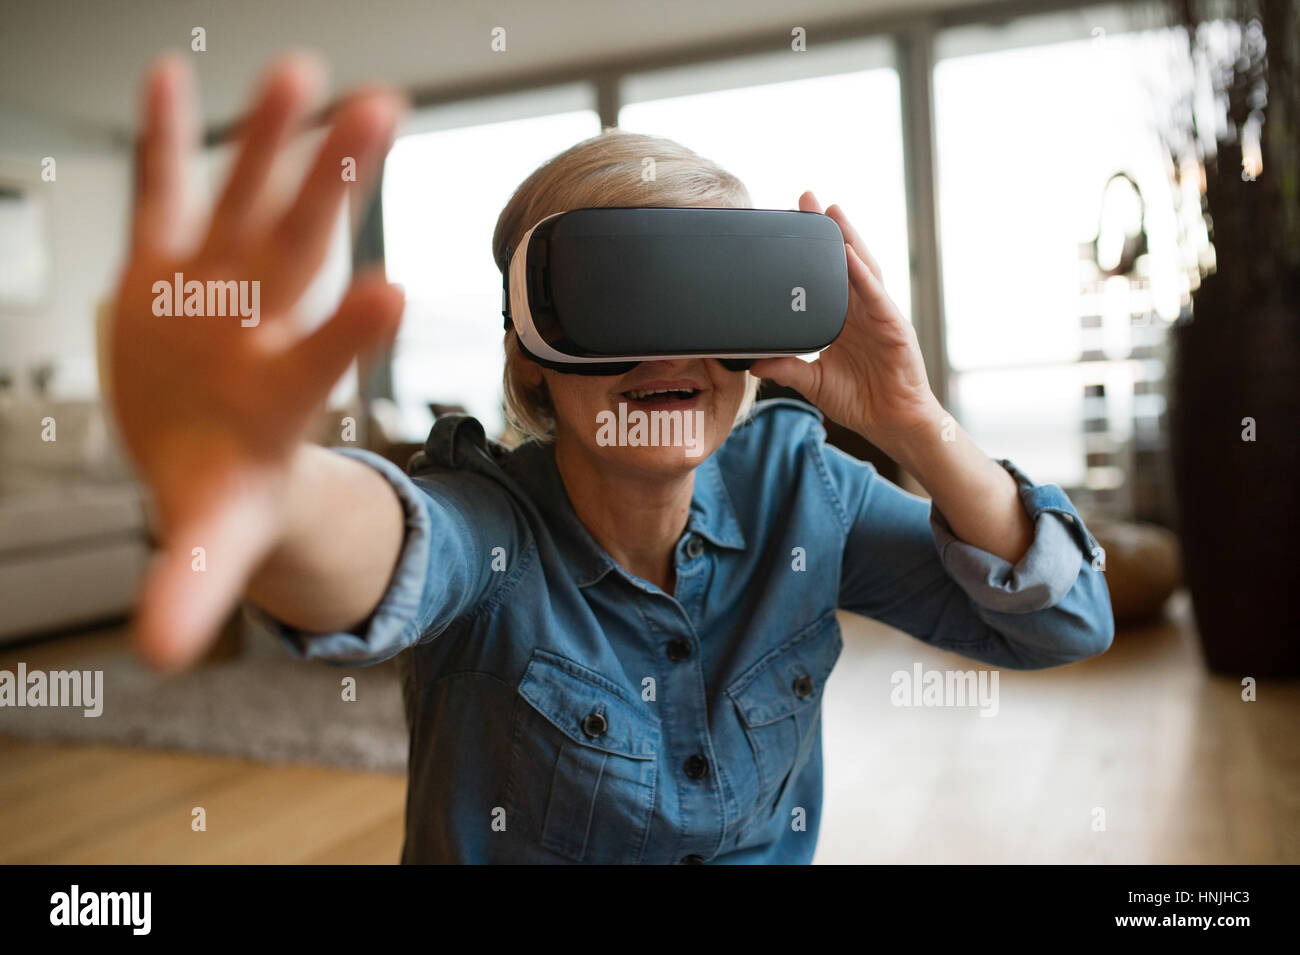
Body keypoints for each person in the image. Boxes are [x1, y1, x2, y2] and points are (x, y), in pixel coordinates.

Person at [105, 52, 1114, 864]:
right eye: (616, 306)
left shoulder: (804, 495)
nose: (671, 352)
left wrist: (916, 422)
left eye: (704, 301)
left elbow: (1065, 623)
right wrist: (275, 488)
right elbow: (399, 548)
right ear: (532, 360)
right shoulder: (491, 525)